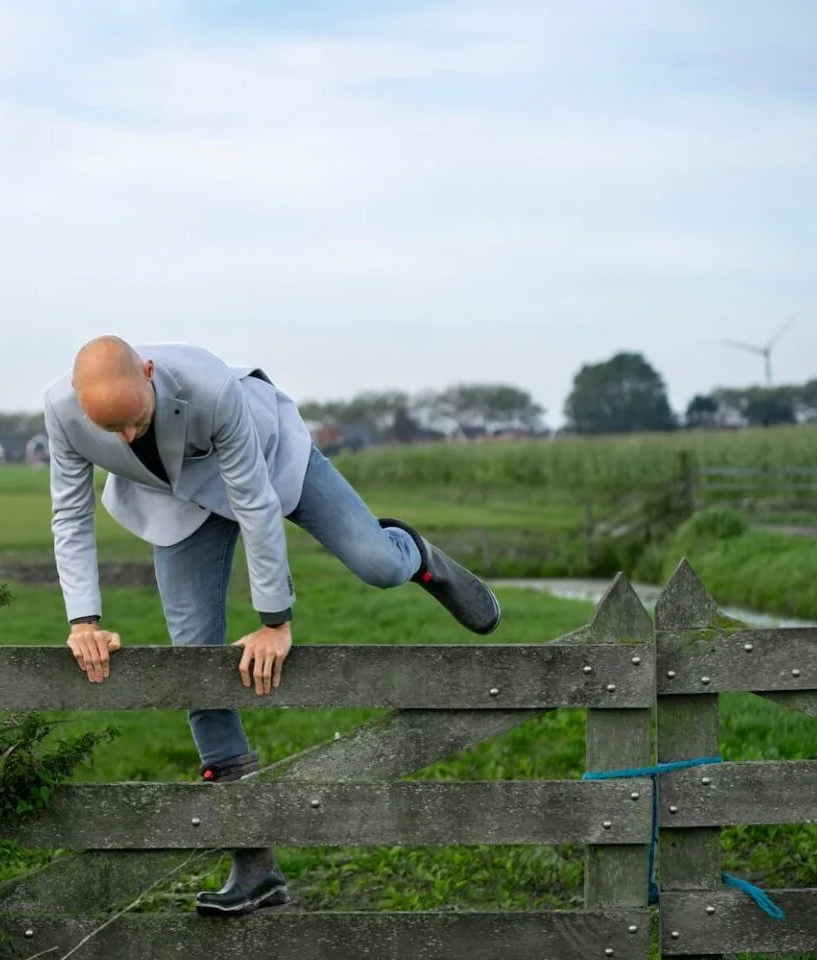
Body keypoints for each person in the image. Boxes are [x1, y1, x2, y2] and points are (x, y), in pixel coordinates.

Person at [42, 336, 500, 916]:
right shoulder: (60, 410)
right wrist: (84, 621)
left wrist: (274, 623)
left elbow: (255, 503)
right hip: (178, 502)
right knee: (195, 669)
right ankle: (255, 866)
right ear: (79, 400)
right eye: (113, 429)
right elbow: (70, 513)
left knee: (378, 565)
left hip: (269, 459)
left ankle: (415, 554)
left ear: (150, 372)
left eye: (136, 419)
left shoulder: (212, 387)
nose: (129, 437)